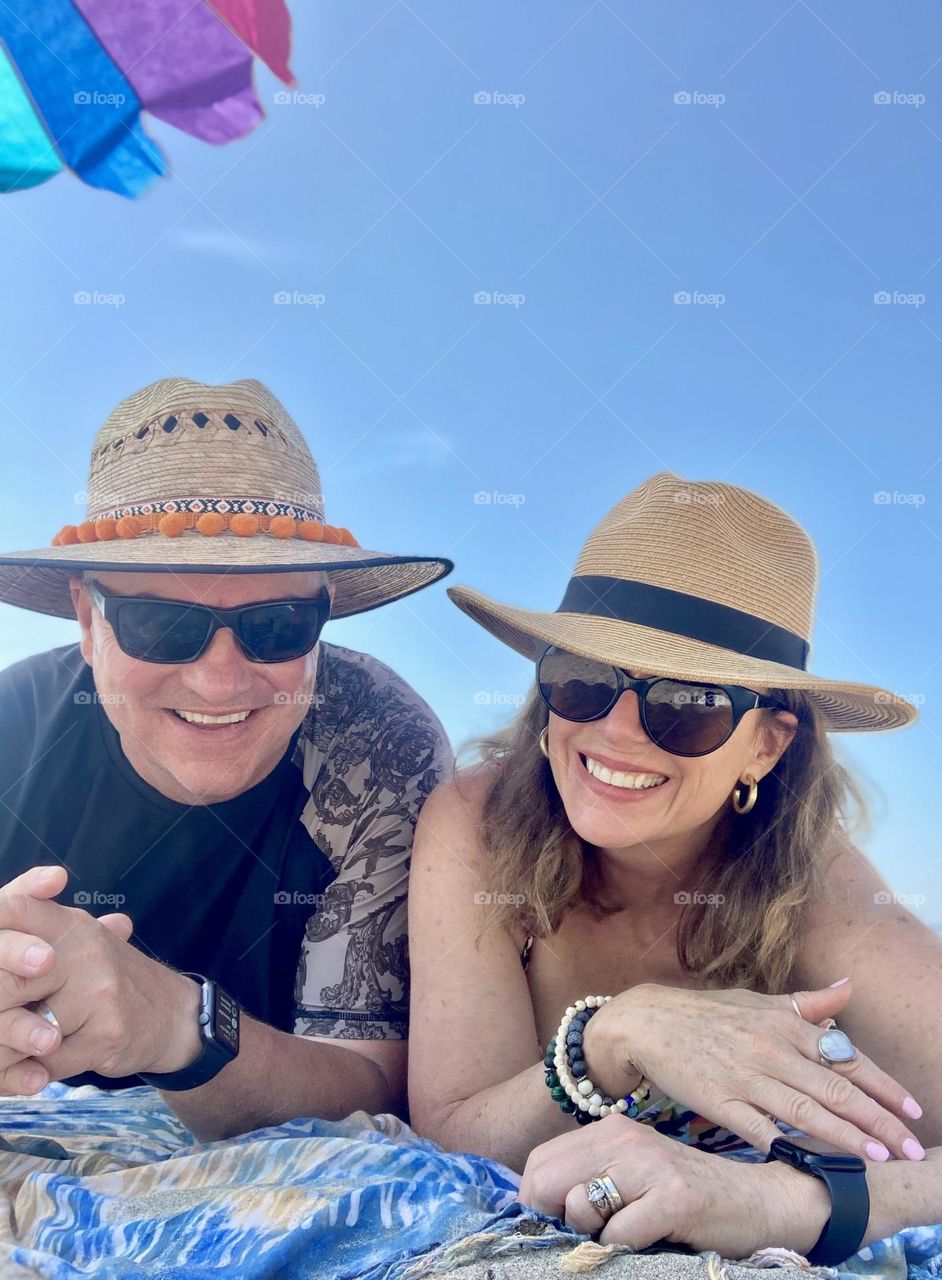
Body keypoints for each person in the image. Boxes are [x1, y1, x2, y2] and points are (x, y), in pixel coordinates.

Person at [407, 471, 942, 1264]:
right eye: (581, 680)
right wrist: (616, 1035)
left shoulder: (816, 888)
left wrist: (786, 1201)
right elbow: (451, 1128)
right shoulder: (477, 830)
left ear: (767, 742)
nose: (618, 734)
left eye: (687, 705)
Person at [0, 375, 453, 1141]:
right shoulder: (12, 728)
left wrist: (175, 1025)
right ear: (88, 615)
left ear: (323, 615)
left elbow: (376, 1088)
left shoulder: (382, 748)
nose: (219, 678)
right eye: (159, 623)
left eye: (275, 625)